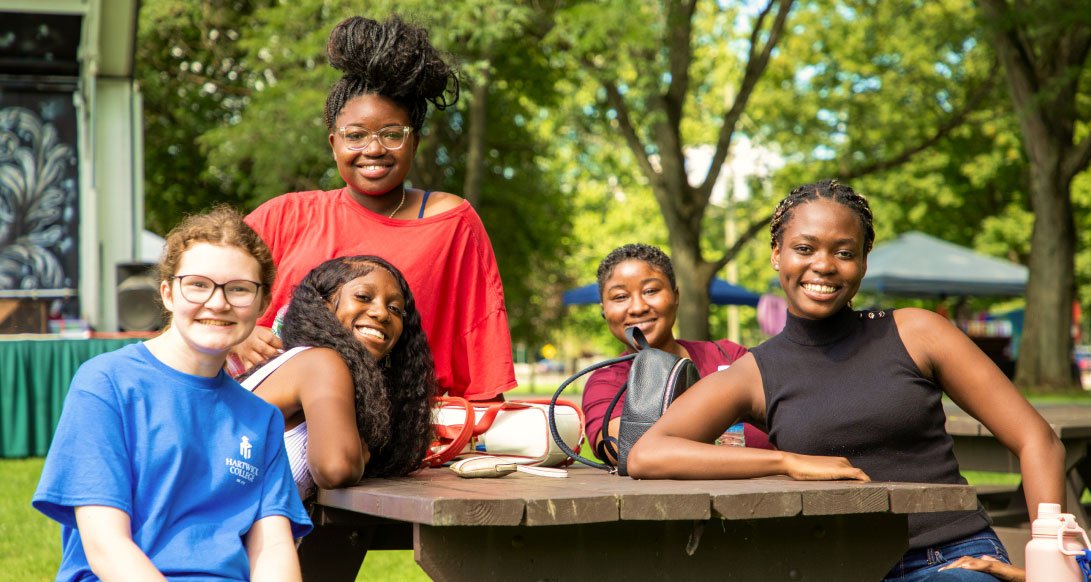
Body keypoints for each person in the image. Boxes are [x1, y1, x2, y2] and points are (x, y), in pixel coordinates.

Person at [628, 180, 1066, 581]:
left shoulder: (917, 332)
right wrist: (787, 462)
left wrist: (1050, 563)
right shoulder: (754, 373)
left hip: (950, 557)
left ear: (862, 262)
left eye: (843, 252)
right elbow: (649, 454)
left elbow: (1036, 440)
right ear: (776, 254)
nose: (824, 266)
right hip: (833, 565)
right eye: (804, 248)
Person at [236, 14, 515, 401]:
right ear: (333, 143)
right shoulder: (283, 216)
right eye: (355, 135)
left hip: (404, 429)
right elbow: (203, 291)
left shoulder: (449, 223)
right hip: (273, 417)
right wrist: (241, 334)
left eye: (391, 134)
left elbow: (480, 344)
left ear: (414, 142)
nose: (373, 149)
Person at [33, 206, 312, 581]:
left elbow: (273, 549)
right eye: (198, 284)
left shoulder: (260, 418)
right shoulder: (107, 384)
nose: (218, 302)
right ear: (167, 293)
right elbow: (105, 544)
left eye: (239, 289)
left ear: (262, 305)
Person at [239, 255, 435, 503]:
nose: (382, 313)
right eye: (363, 297)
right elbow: (336, 469)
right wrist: (359, 456)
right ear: (323, 305)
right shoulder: (322, 363)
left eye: (395, 309)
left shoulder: (318, 364)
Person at [581, 243, 773, 463]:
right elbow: (633, 453)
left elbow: (792, 420)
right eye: (620, 297)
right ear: (604, 311)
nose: (637, 307)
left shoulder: (730, 356)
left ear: (676, 296)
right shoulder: (605, 386)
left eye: (650, 291)